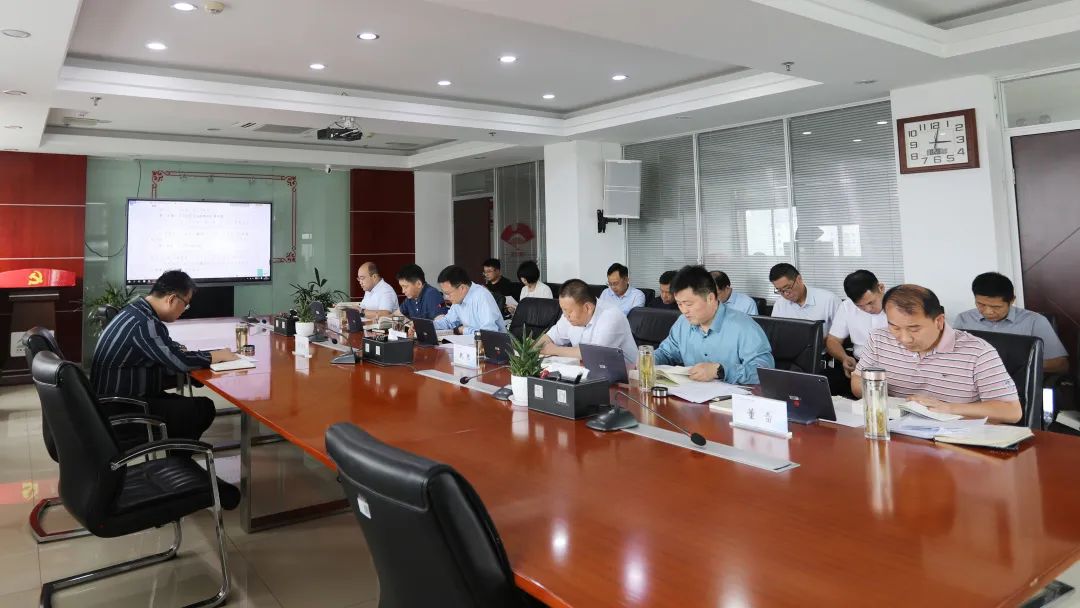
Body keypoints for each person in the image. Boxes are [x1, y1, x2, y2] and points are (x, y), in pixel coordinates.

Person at [90, 270, 238, 443]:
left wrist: (180, 352)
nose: (184, 310)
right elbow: (179, 362)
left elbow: (165, 351)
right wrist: (216, 355)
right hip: (123, 410)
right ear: (172, 299)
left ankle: (175, 452)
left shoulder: (136, 311)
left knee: (190, 403)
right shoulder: (145, 323)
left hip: (113, 402)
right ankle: (178, 457)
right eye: (186, 304)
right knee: (200, 409)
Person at [852, 284, 1022, 424]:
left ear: (939, 321)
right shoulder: (879, 339)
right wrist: (895, 403)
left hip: (956, 439)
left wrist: (949, 408)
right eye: (895, 327)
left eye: (914, 329)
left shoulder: (978, 352)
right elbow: (857, 382)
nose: (904, 338)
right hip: (898, 431)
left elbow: (1011, 411)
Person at [654, 265, 774, 384]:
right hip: (691, 392)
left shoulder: (743, 326)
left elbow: (764, 371)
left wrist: (720, 371)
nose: (684, 310)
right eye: (679, 304)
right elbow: (665, 352)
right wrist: (650, 359)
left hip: (732, 395)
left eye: (689, 304)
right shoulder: (682, 323)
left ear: (710, 298)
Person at [953, 272, 1068, 375]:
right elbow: (953, 357)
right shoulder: (964, 319)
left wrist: (1017, 364)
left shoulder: (1035, 321)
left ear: (1012, 300)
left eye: (996, 307)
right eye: (981, 304)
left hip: (1017, 384)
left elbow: (1060, 364)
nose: (988, 312)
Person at [536, 279, 639, 363]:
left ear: (587, 308)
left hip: (628, 376)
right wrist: (535, 347)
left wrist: (554, 350)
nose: (566, 316)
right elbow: (549, 337)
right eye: (563, 310)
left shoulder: (611, 316)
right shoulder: (568, 315)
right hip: (589, 370)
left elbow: (593, 354)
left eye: (569, 311)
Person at [826, 270, 888, 377]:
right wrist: (844, 358)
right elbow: (832, 341)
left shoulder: (899, 306)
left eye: (870, 302)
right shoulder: (847, 307)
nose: (868, 309)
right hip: (860, 366)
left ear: (881, 288)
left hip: (894, 367)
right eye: (860, 306)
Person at [769, 263, 840, 334]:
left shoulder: (829, 300)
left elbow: (842, 334)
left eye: (787, 288)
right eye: (779, 290)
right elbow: (775, 333)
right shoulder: (779, 304)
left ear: (799, 279)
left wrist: (820, 339)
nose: (785, 294)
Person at [433, 265, 506, 334]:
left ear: (462, 288)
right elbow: (448, 322)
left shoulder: (482, 296)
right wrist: (430, 325)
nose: (446, 297)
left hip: (493, 342)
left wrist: (465, 330)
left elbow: (489, 333)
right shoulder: (458, 299)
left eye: (448, 293)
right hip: (471, 341)